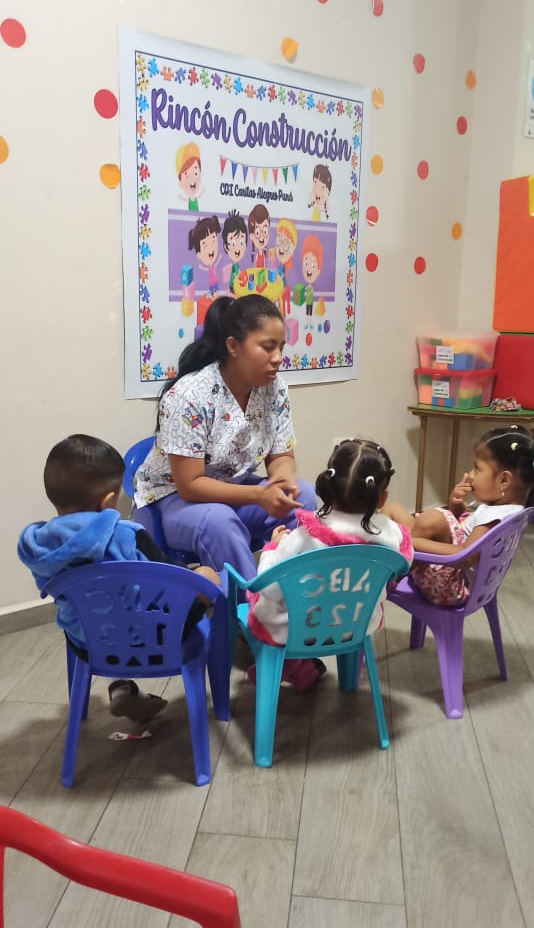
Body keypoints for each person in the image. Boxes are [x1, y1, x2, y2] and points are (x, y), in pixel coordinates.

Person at [17, 435, 221, 722]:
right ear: (108, 501)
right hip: (154, 640)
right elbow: (170, 579)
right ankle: (229, 671)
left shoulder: (37, 545)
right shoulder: (127, 536)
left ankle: (121, 686)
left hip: (87, 644)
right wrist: (202, 577)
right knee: (206, 579)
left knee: (96, 612)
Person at [133, 294, 317, 580]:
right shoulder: (189, 395)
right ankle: (251, 602)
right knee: (220, 522)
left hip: (234, 491)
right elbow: (190, 485)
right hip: (171, 499)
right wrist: (259, 495)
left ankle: (291, 592)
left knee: (304, 496)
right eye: (267, 347)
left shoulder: (275, 389)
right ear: (233, 346)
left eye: (281, 347)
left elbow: (282, 455)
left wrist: (283, 479)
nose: (278, 358)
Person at [246, 438, 413, 690]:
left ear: (329, 485)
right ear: (382, 498)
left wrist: (272, 547)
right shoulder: (393, 535)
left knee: (260, 599)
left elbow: (268, 588)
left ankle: (289, 664)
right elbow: (403, 566)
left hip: (296, 630)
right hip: (356, 625)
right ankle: (304, 669)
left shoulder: (304, 535)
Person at [384, 425, 534, 606]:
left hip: (451, 585)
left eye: (477, 468)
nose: (470, 475)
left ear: (504, 480)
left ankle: (390, 575)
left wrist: (410, 540)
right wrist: (456, 506)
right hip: (453, 574)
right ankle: (380, 553)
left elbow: (465, 556)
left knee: (431, 519)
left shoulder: (494, 518)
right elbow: (464, 527)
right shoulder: (508, 509)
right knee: (393, 509)